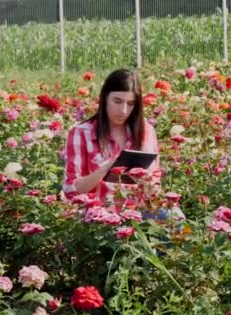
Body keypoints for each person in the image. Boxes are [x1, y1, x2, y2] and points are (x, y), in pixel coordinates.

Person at [62, 68, 185, 227]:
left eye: (131, 103)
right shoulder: (82, 133)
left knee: (175, 218)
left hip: (137, 210)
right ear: (105, 98)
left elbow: (154, 187)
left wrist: (145, 182)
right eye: (117, 101)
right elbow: (71, 190)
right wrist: (106, 169)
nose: (123, 111)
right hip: (98, 213)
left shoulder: (146, 131)